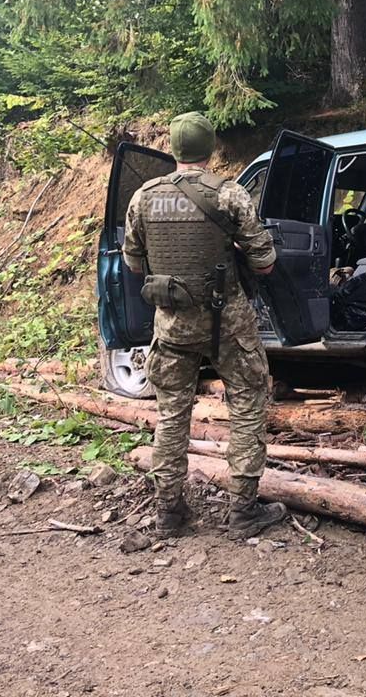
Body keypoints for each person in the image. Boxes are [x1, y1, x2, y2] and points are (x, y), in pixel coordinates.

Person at [123, 112, 288, 538]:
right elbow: (266, 264)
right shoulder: (229, 195)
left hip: (172, 323)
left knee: (171, 416)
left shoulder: (143, 197)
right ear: (211, 148)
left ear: (174, 150)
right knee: (248, 403)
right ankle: (243, 512)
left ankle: (169, 514)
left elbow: (134, 263)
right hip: (227, 323)